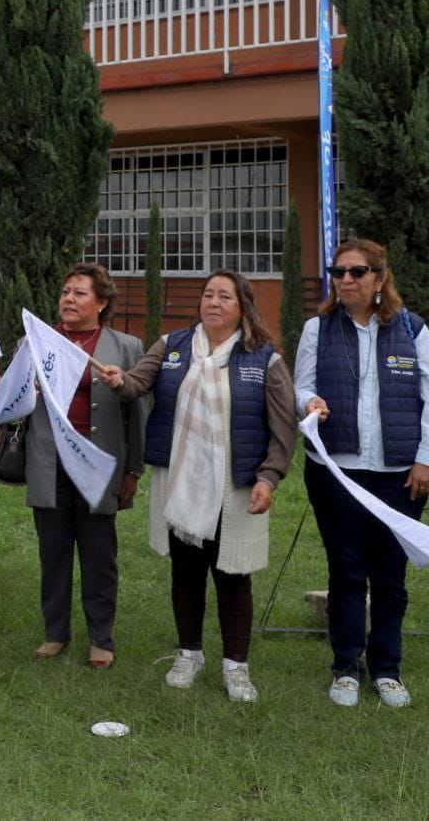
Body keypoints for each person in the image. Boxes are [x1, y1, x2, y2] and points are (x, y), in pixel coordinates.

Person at [101, 269, 296, 703]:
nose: (213, 302)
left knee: (233, 575)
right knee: (185, 572)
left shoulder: (263, 357)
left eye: (224, 296)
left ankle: (236, 667)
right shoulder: (172, 347)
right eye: (208, 294)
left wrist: (269, 476)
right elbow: (137, 383)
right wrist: (119, 381)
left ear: (242, 306)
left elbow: (283, 427)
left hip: (236, 484)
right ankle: (189, 654)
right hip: (181, 480)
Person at [294, 239, 429, 708]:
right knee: (347, 571)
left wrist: (425, 458)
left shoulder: (413, 330)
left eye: (356, 272)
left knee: (391, 575)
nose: (345, 280)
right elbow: (302, 385)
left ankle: (386, 668)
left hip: (399, 474)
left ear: (379, 278)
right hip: (338, 471)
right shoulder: (317, 328)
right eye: (338, 272)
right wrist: (308, 402)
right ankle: (346, 666)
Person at [24, 263, 146, 669]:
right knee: (53, 553)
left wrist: (132, 470)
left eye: (79, 293)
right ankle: (55, 633)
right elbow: (16, 400)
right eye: (65, 292)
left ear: (102, 302)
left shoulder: (126, 346)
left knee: (98, 555)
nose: (68, 300)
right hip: (49, 463)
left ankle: (101, 639)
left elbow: (137, 414)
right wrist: (30, 388)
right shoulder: (39, 342)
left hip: (99, 465)